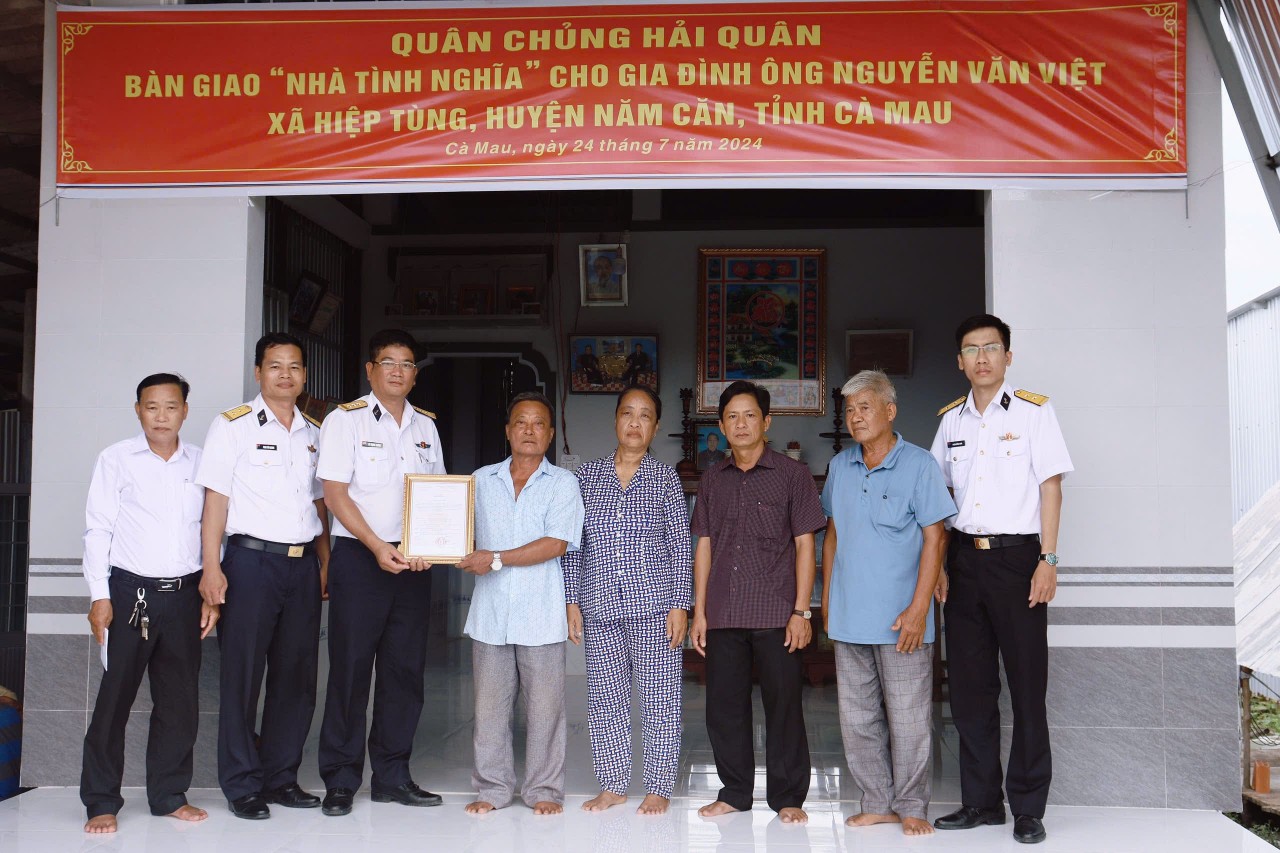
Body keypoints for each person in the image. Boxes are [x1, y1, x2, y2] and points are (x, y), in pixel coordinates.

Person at [929, 314, 1072, 845]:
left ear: (1008, 357)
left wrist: (1048, 560)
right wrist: (941, 565)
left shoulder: (1035, 413)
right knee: (970, 690)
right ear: (960, 362)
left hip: (1019, 563)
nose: (982, 357)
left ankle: (1029, 807)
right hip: (965, 563)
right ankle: (981, 802)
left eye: (992, 348)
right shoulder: (950, 423)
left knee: (1028, 687)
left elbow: (1051, 487)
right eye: (972, 349)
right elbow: (937, 505)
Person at [196, 333, 329, 820]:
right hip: (250, 564)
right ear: (258, 373)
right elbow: (215, 502)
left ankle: (280, 778)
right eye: (275, 366)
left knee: (296, 677)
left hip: (301, 565)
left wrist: (326, 562)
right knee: (243, 676)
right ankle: (242, 784)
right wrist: (212, 569)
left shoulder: (315, 432)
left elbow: (321, 504)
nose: (285, 375)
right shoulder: (232, 426)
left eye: (294, 367)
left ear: (305, 375)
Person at [820, 370, 956, 836]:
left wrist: (920, 609)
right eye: (849, 409)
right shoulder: (840, 467)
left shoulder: (919, 465)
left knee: (910, 719)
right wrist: (827, 598)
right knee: (857, 719)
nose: (855, 417)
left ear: (889, 411)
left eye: (865, 407)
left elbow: (935, 538)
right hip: (850, 615)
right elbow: (832, 536)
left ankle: (912, 804)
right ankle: (877, 801)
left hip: (904, 619)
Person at [315, 329, 444, 817]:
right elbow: (334, 493)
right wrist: (375, 546)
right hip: (359, 559)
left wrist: (432, 547)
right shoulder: (343, 421)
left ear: (415, 374)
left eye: (407, 363)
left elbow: (437, 497)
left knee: (404, 672)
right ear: (370, 370)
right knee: (350, 670)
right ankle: (341, 779)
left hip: (413, 563)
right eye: (387, 362)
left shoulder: (425, 427)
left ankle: (392, 775)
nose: (397, 371)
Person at [80, 373, 217, 833]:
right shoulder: (116, 459)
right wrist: (100, 596)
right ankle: (101, 800)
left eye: (171, 407)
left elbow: (212, 533)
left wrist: (209, 596)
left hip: (184, 595)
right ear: (138, 410)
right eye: (152, 406)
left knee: (178, 703)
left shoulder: (202, 463)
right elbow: (98, 528)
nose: (162, 416)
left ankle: (168, 795)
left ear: (185, 411)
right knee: (113, 700)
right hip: (129, 595)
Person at [689, 380, 826, 824]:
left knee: (783, 705)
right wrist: (700, 611)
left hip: (776, 611)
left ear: (766, 422)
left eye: (750, 415)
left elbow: (806, 545)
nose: (741, 423)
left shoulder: (792, 475)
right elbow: (704, 546)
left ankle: (788, 797)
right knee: (724, 708)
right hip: (724, 611)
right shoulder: (713, 479)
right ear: (722, 426)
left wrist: (803, 610)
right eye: (732, 416)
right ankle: (733, 792)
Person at [564, 385, 691, 815]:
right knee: (605, 698)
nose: (635, 423)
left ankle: (657, 786)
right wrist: (571, 600)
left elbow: (679, 547)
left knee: (660, 698)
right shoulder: (588, 477)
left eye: (645, 416)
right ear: (616, 420)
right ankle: (614, 784)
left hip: (654, 608)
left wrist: (681, 604)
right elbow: (574, 546)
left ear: (655, 426)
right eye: (627, 414)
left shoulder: (664, 478)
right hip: (598, 605)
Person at [457, 392, 584, 816]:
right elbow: (456, 532)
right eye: (521, 423)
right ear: (508, 430)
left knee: (545, 710)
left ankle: (544, 790)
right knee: (489, 709)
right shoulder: (479, 481)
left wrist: (494, 558)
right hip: (491, 615)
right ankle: (492, 789)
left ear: (549, 434)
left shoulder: (564, 484)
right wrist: (430, 546)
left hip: (540, 614)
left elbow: (556, 543)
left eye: (538, 424)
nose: (529, 430)